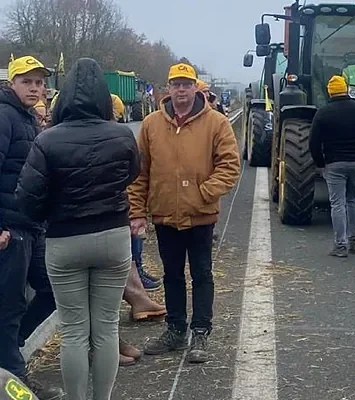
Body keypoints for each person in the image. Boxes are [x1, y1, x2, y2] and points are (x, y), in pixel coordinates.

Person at [15, 57, 140, 400]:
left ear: (64, 97)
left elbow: (28, 198)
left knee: (73, 332)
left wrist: (50, 212)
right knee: (105, 329)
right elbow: (131, 174)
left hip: (65, 240)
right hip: (113, 237)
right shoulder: (122, 135)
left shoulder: (48, 140)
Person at [128, 63, 240, 363]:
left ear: (196, 88)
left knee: (202, 274)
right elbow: (140, 172)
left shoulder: (216, 123)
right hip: (165, 216)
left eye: (186, 84)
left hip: (200, 216)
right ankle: (176, 329)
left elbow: (229, 166)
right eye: (175, 84)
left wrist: (202, 193)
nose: (181, 90)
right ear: (168, 88)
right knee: (172, 275)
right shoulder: (151, 125)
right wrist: (137, 211)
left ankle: (200, 332)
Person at [0, 55, 64, 400]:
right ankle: (16, 378)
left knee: (51, 290)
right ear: (12, 83)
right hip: (10, 231)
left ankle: (9, 351)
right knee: (8, 307)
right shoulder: (5, 117)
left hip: (32, 227)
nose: (36, 88)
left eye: (40, 82)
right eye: (28, 81)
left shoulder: (27, 120)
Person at [310, 76, 355, 257]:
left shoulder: (323, 113)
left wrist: (321, 163)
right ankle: (354, 240)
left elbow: (313, 142)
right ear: (346, 89)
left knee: (337, 203)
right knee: (353, 200)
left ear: (330, 92)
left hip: (334, 163)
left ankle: (340, 245)